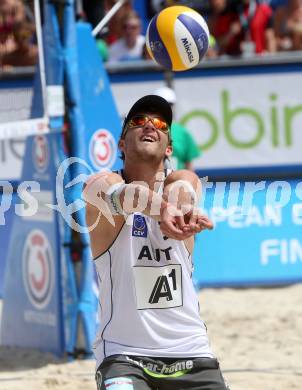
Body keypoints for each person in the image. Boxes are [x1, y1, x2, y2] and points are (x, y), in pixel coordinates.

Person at [83, 94, 229, 390]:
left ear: (169, 147)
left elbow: (185, 187)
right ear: (121, 145)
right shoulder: (102, 185)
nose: (149, 125)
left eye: (160, 123)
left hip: (192, 353)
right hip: (124, 356)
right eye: (138, 121)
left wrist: (180, 208)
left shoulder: (182, 185)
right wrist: (163, 210)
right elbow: (120, 195)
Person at [154, 86, 201, 171]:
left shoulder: (182, 132)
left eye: (170, 104)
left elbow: (189, 164)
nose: (166, 107)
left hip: (178, 181)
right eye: (161, 104)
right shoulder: (144, 130)